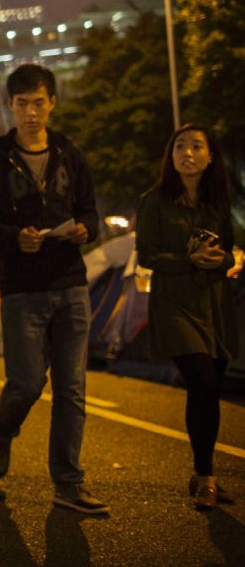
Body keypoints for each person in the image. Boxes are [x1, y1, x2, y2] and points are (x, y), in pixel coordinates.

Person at [0, 63, 108, 516]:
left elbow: (92, 214)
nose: (31, 112)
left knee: (71, 389)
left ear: (52, 103)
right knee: (27, 383)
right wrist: (16, 238)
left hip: (70, 283)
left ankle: (68, 483)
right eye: (22, 103)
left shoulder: (71, 153)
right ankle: (2, 429)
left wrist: (85, 231)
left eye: (39, 102)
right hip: (21, 287)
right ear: (11, 105)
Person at [136, 124, 238, 509]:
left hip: (214, 304)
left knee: (211, 388)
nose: (188, 153)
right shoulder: (155, 200)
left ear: (210, 156)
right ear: (171, 155)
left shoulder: (218, 202)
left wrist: (221, 259)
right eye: (180, 146)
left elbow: (230, 250)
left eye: (197, 146)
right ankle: (207, 477)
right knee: (202, 380)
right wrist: (187, 260)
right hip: (175, 304)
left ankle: (202, 474)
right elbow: (146, 254)